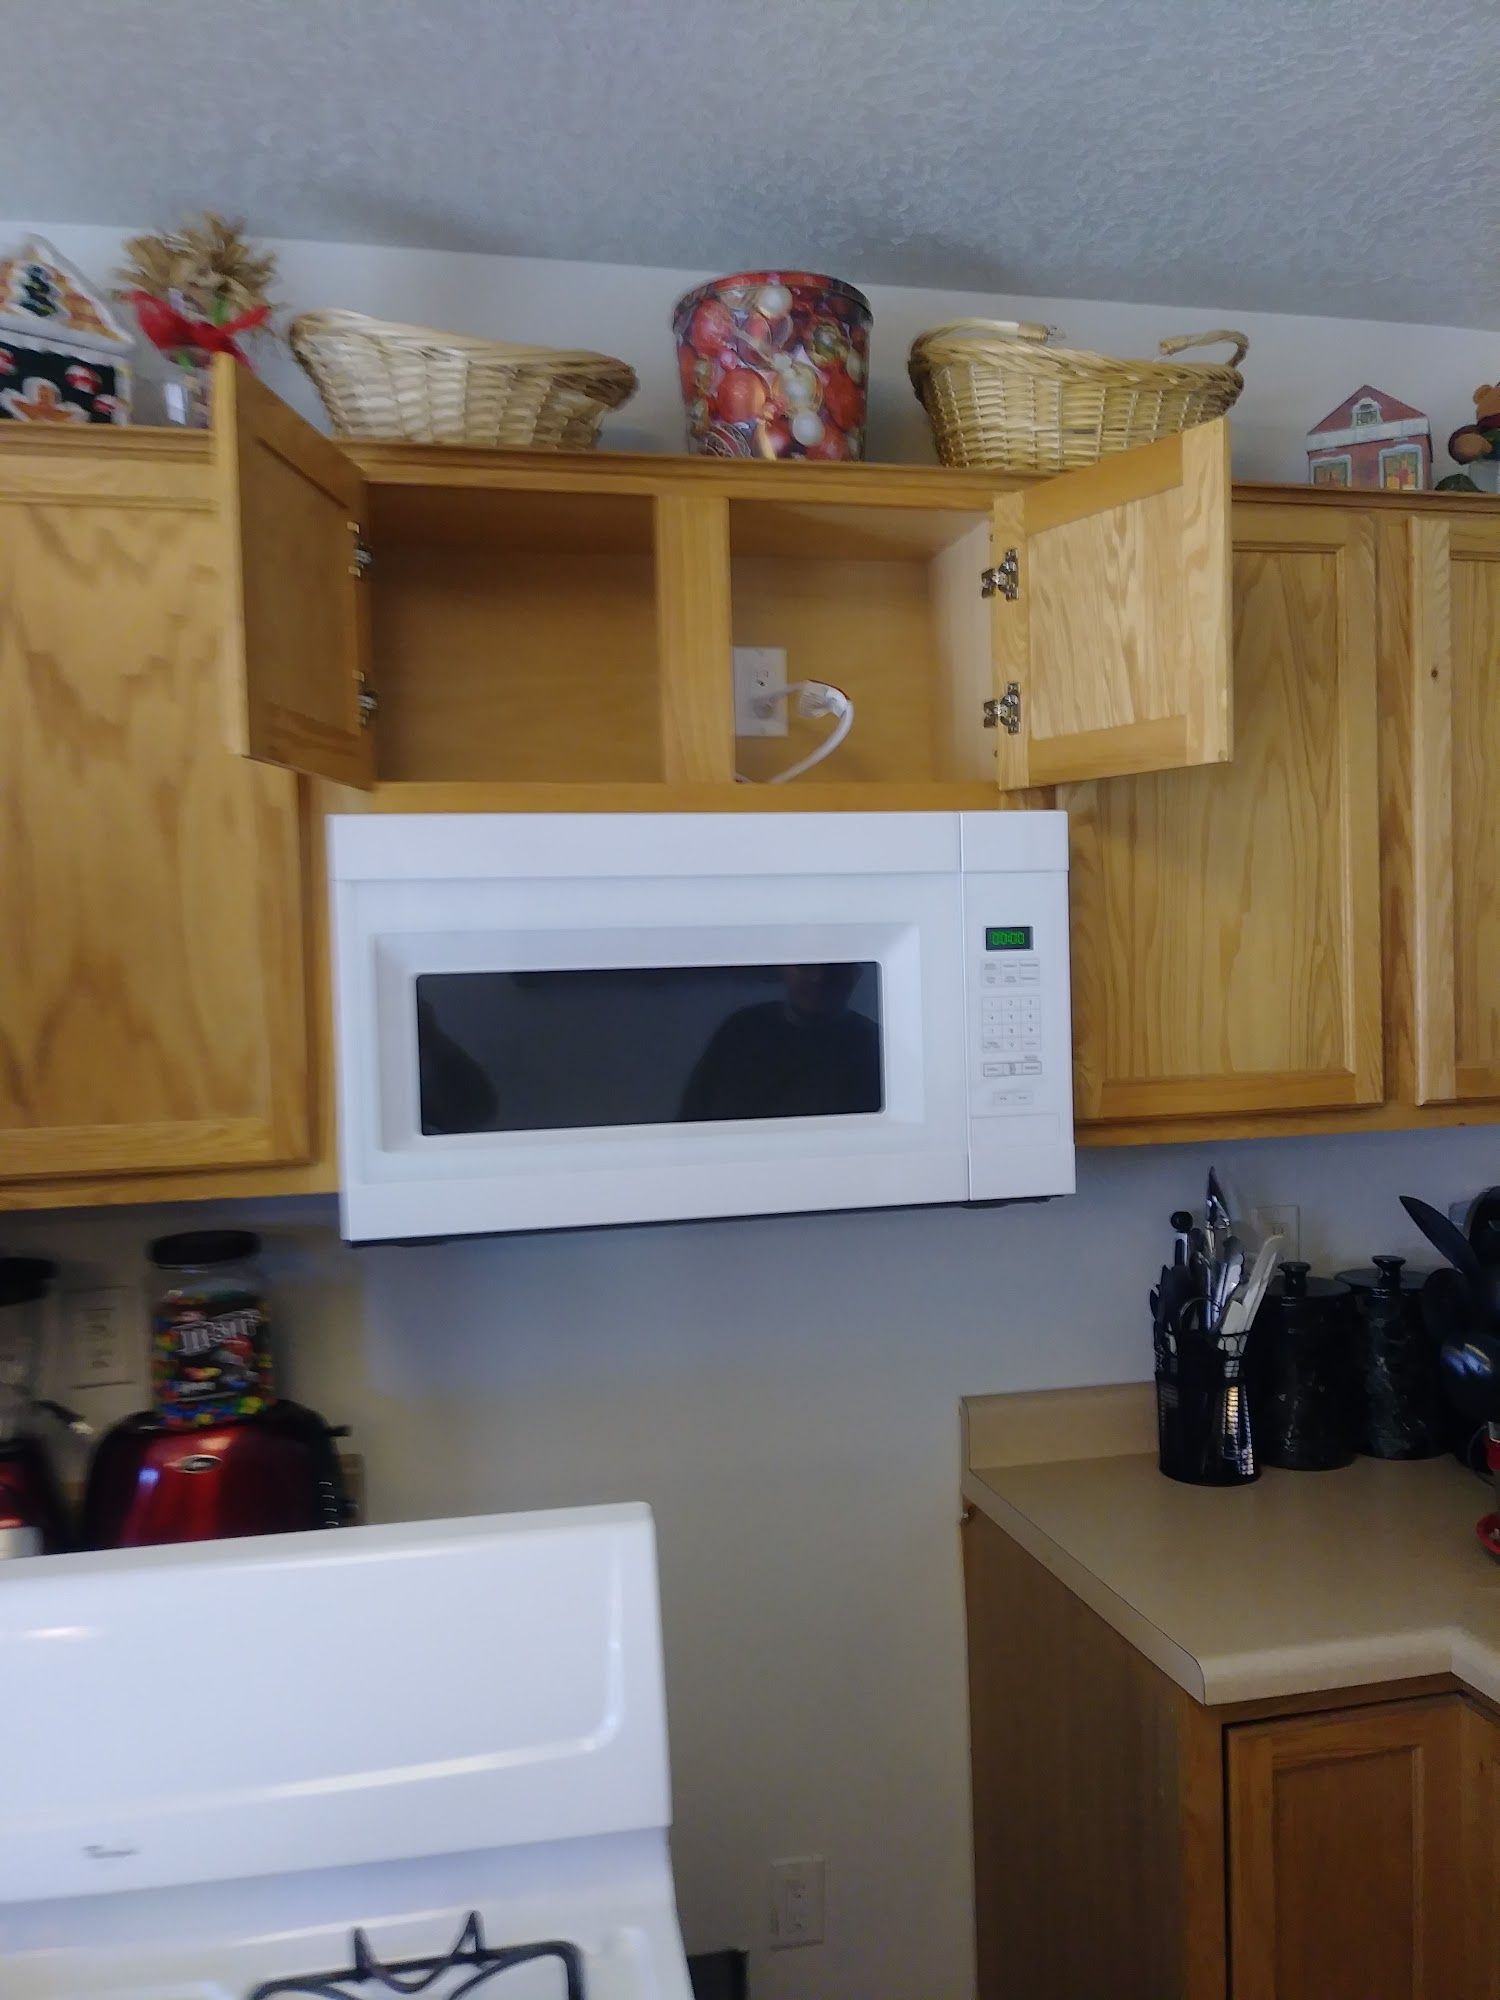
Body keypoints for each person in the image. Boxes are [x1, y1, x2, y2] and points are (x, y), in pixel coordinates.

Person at [679, 963, 882, 1121]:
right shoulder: (741, 1029)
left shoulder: (873, 1044)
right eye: (805, 966)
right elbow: (692, 1116)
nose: (818, 978)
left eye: (835, 968)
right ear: (785, 969)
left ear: (855, 975)